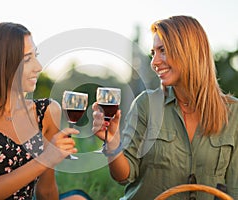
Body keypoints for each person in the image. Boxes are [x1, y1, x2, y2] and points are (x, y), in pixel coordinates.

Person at [92, 15, 238, 199]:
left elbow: (234, 187)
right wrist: (112, 142)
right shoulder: (147, 104)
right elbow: (124, 176)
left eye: (163, 51)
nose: (154, 62)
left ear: (190, 52)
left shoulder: (233, 113)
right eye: (153, 52)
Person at [0, 22, 88, 200]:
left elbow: (45, 192)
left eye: (36, 56)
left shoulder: (46, 112)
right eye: (27, 59)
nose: (38, 67)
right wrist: (45, 159)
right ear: (1, 63)